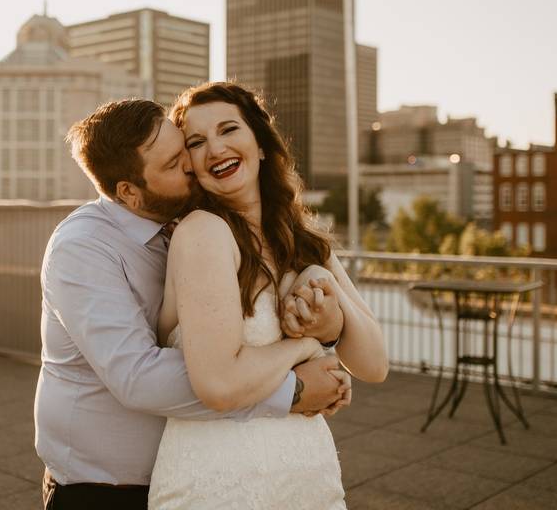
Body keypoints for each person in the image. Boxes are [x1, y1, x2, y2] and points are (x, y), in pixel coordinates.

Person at [35, 98, 351, 510]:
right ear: (128, 193)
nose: (191, 164)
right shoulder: (83, 249)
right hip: (105, 490)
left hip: (196, 471)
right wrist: (293, 389)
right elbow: (139, 377)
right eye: (171, 164)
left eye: (183, 147)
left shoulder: (199, 223)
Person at [148, 82, 388, 509]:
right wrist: (310, 342)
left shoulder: (301, 238)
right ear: (191, 166)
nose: (215, 149)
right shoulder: (202, 231)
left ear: (260, 144)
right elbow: (218, 385)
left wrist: (326, 294)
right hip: (220, 482)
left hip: (306, 474)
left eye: (228, 130)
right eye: (197, 142)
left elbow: (374, 366)